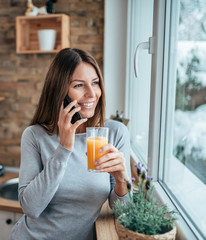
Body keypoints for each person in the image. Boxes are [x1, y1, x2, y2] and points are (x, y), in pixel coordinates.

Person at [9, 48, 131, 240]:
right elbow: (31, 208)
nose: (92, 94)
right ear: (60, 91)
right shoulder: (35, 136)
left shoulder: (115, 133)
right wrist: (64, 148)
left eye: (95, 83)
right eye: (79, 85)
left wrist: (122, 181)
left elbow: (123, 213)